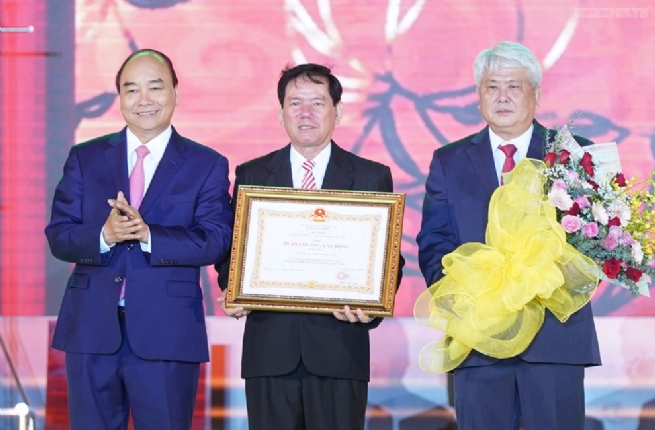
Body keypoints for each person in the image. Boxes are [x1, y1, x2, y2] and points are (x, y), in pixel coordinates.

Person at [416, 41, 601, 430]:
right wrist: (464, 297)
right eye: (492, 86)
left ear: (536, 94)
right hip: (479, 340)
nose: (502, 97)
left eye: (514, 86)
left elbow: (597, 238)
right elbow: (434, 242)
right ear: (478, 95)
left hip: (554, 338)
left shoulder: (574, 154)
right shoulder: (448, 160)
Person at [45, 49, 233, 430]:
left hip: (167, 333)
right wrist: (104, 235)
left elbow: (215, 240)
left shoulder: (206, 164)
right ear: (120, 98)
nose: (143, 99)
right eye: (131, 90)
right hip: (91, 331)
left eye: (155, 87)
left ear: (175, 93)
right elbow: (59, 235)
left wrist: (149, 236)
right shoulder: (85, 157)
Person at [215, 63, 403, 430]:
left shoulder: (371, 176)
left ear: (338, 111)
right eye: (295, 103)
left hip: (339, 352)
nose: (305, 113)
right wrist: (233, 288)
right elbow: (232, 250)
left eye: (317, 103)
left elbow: (389, 258)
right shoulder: (252, 175)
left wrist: (371, 307)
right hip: (270, 351)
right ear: (280, 113)